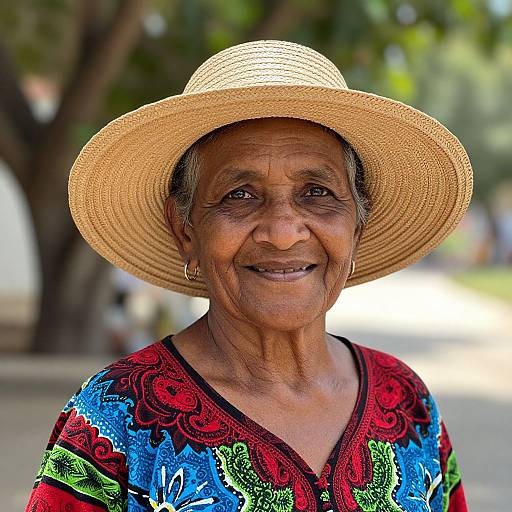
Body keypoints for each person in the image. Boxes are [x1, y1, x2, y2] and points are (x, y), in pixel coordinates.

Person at [26, 40, 472, 512]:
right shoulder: (115, 419)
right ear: (186, 230)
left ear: (356, 226)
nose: (282, 233)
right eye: (240, 195)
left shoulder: (406, 401)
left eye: (317, 192)